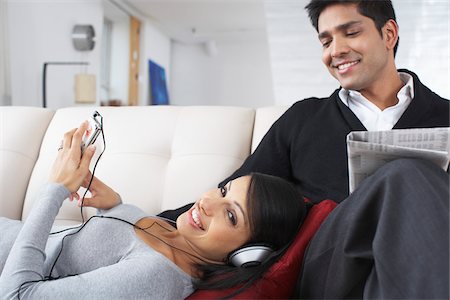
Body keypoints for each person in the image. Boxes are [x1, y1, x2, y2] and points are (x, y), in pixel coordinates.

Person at [159, 0, 450, 298]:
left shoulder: (446, 116)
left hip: (422, 262)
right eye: (326, 41)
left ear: (389, 34)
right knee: (404, 174)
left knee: (412, 182)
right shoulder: (303, 119)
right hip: (328, 270)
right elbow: (230, 194)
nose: (335, 51)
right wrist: (138, 221)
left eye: (350, 33)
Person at [0, 122, 307, 299]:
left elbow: (17, 294)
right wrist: (116, 205)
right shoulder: (179, 237)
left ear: (247, 254)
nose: (207, 203)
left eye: (230, 215)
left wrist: (54, 188)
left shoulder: (158, 277)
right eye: (224, 191)